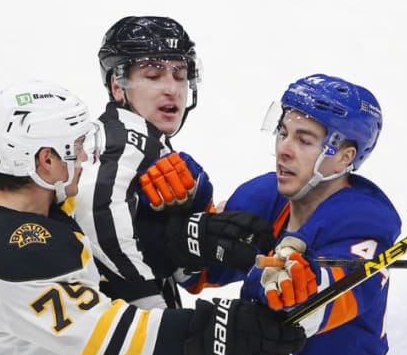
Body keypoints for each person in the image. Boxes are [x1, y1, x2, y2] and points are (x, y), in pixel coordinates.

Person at [0, 80, 307, 355]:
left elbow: (77, 229)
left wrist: (180, 240)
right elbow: (124, 350)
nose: (88, 154)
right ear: (43, 160)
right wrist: (221, 329)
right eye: (74, 147)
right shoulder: (18, 260)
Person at [217, 74, 402, 355]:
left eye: (304, 140)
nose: (284, 150)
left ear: (345, 157)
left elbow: (324, 306)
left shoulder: (364, 222)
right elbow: (193, 271)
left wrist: (304, 286)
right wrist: (179, 225)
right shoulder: (262, 198)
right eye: (283, 132)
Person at [75, 16, 269, 311]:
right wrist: (157, 314)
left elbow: (174, 267)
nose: (172, 88)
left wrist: (184, 239)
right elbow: (94, 208)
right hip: (105, 334)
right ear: (117, 86)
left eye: (179, 75)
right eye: (154, 75)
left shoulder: (143, 142)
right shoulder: (127, 138)